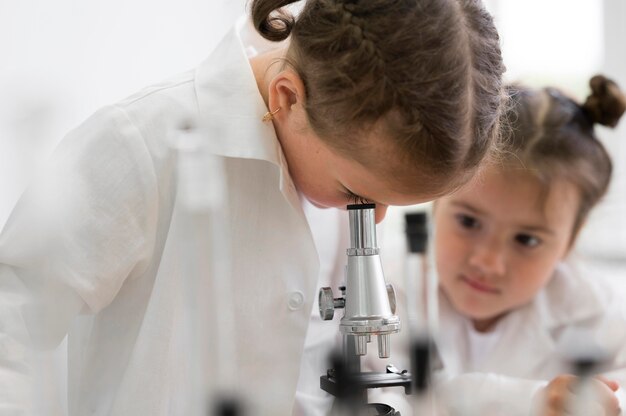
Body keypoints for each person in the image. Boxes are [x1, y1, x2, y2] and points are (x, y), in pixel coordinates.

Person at [0, 0, 506, 415]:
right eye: (359, 193)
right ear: (287, 98)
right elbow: (11, 330)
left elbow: (282, 371)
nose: (374, 218)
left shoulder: (319, 168)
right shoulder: (141, 145)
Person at [379, 75, 626, 416]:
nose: (488, 262)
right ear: (438, 200)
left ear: (570, 239)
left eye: (527, 239)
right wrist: (532, 400)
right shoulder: (387, 296)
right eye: (468, 222)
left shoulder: (603, 316)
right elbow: (388, 398)